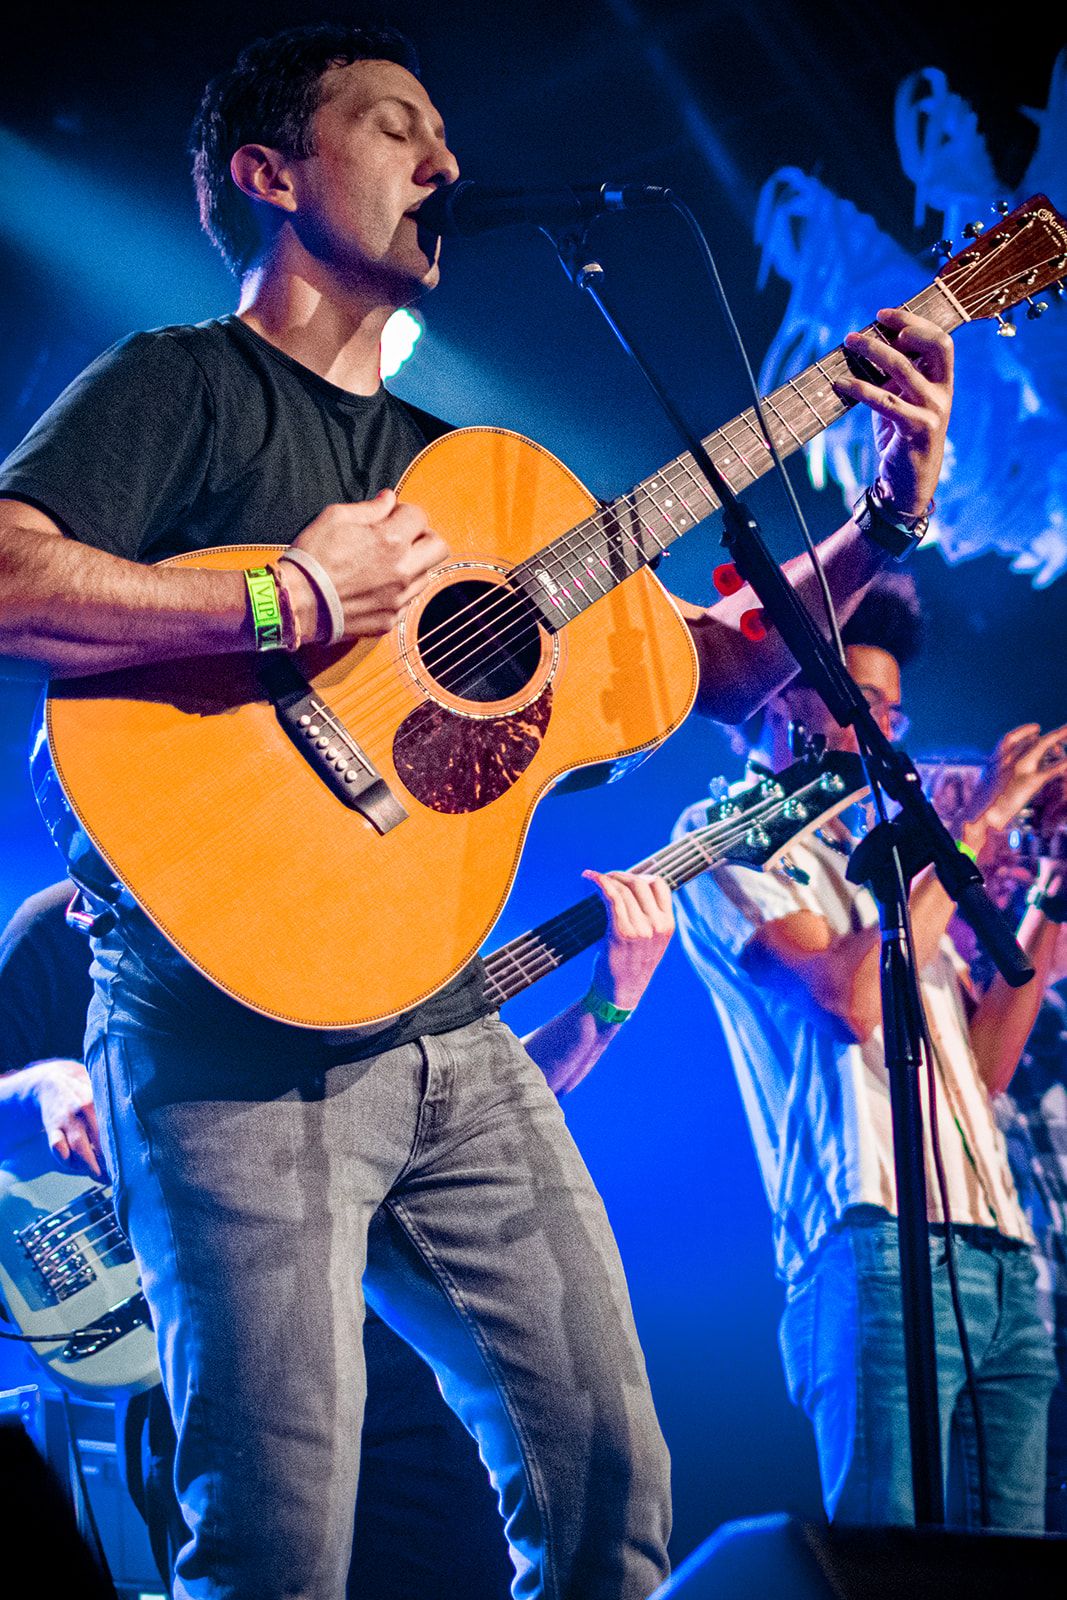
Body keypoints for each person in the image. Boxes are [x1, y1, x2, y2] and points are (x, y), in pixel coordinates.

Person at [0, 22, 953, 1598]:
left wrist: (879, 513)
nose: (446, 161)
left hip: (443, 1016)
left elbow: (717, 669)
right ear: (269, 174)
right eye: (394, 127)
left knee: (609, 1493)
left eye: (442, 133)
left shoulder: (479, 481)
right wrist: (286, 597)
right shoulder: (182, 385)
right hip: (220, 1032)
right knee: (274, 1546)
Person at [0, 867, 674, 1597]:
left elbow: (439, 1112)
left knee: (593, 1499)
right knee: (267, 1554)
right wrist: (41, 1086)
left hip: (406, 1370)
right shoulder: (66, 923)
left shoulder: (359, 897)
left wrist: (606, 1005)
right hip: (203, 1331)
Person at [673, 573, 1067, 1530]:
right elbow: (848, 1003)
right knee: (886, 1569)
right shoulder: (722, 841)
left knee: (1017, 1578)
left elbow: (984, 1064)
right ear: (782, 701)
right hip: (874, 1248)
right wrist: (976, 824)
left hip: (1000, 1255)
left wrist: (1051, 883)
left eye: (894, 710)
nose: (886, 731)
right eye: (864, 704)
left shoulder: (892, 859)